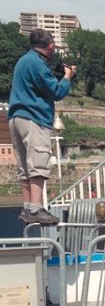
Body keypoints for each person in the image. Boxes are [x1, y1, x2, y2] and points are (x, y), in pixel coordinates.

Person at [8, 28, 76, 224]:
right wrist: (67, 77)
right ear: (51, 46)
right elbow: (55, 91)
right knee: (38, 163)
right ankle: (37, 209)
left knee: (24, 166)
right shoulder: (37, 64)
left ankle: (28, 208)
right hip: (33, 117)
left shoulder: (24, 61)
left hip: (16, 117)